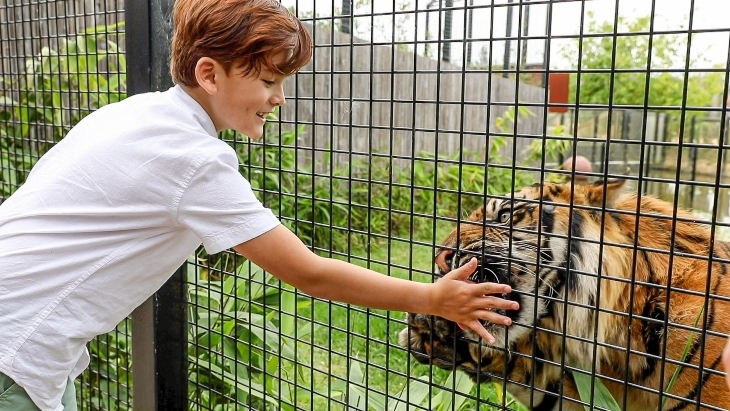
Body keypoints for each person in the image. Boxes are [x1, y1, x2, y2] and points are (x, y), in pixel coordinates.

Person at [0, 1, 518, 410]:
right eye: (268, 81)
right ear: (209, 74)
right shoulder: (194, 158)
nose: (279, 98)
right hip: (16, 347)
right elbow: (308, 274)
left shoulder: (135, 114)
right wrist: (434, 299)